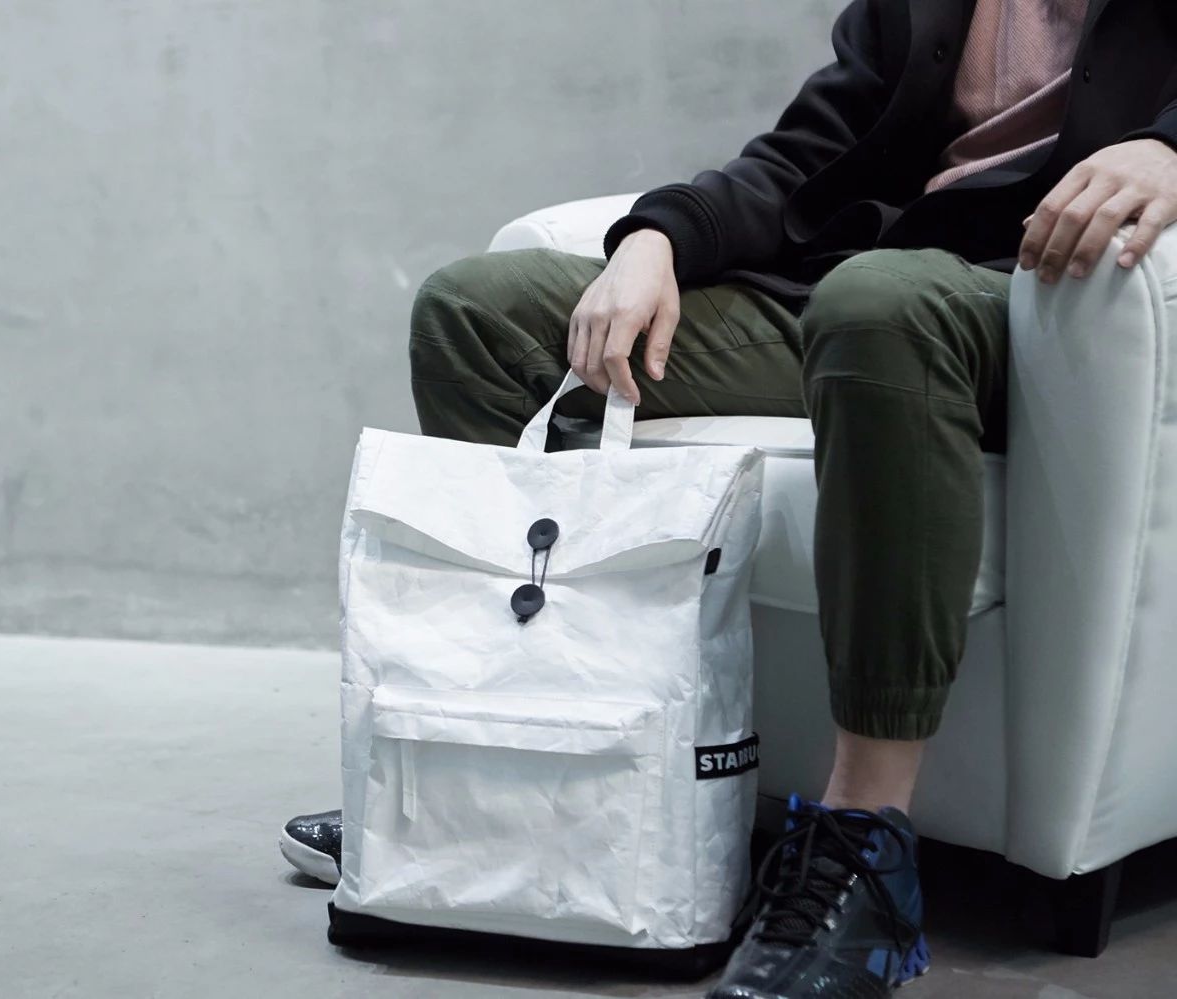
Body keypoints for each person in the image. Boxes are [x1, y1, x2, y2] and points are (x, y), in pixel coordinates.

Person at [283, 1, 1177, 994]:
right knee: (477, 313)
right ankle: (516, 773)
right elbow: (807, 155)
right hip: (843, 292)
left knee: (878, 303)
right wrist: (656, 238)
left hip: (1027, 315)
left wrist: (1168, 153)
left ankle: (863, 846)